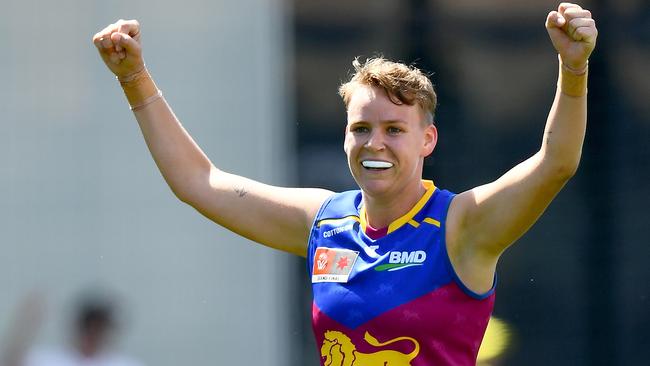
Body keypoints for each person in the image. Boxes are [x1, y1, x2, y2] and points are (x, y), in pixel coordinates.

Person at [92, 2, 597, 365]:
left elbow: (556, 162)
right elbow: (199, 181)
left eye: (394, 130)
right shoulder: (323, 221)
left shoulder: (461, 226)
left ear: (428, 140)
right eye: (361, 128)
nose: (374, 144)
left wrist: (573, 68)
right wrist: (133, 77)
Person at [1, 291, 144, 366]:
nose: (96, 334)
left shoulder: (123, 364)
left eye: (101, 327)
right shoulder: (50, 359)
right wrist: (25, 325)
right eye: (92, 326)